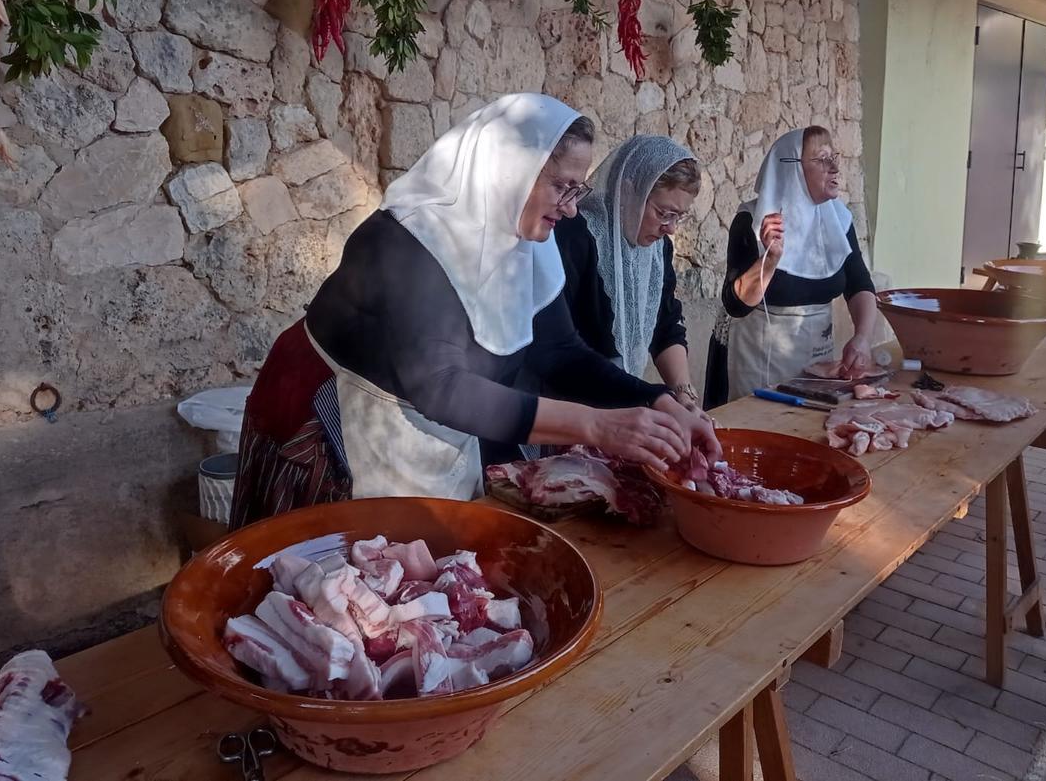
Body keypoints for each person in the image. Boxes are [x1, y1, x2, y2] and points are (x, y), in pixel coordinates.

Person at [229, 94, 719, 529]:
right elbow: (440, 386)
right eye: (562, 187)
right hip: (336, 421)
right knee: (323, 594)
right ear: (510, 171)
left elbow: (560, 353)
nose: (572, 209)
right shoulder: (408, 243)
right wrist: (595, 425)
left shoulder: (526, 243)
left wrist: (657, 399)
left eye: (579, 190)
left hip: (430, 427)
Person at [704, 126, 877, 407]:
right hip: (756, 363)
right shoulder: (752, 220)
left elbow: (859, 283)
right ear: (792, 168)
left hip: (816, 365)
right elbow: (735, 304)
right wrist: (770, 260)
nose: (834, 168)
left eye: (835, 157)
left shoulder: (839, 220)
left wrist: (863, 337)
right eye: (822, 160)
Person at [554, 135, 702, 406]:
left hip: (624, 398)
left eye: (678, 217)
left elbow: (666, 324)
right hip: (570, 403)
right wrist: (650, 397)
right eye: (663, 213)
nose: (670, 228)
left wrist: (684, 394)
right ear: (629, 191)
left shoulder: (659, 250)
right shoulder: (577, 236)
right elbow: (561, 346)